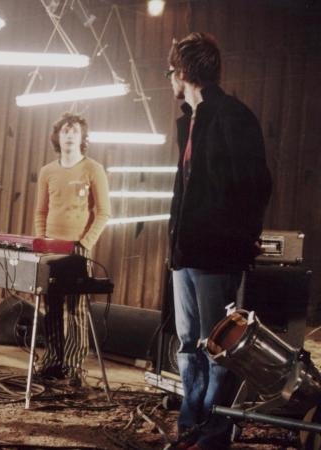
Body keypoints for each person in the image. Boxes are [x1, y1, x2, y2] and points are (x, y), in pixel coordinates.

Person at [164, 33, 271, 450]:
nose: (170, 79)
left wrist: (241, 240)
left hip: (215, 254)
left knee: (218, 348)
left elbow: (256, 185)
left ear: (183, 72)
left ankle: (213, 435)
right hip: (187, 252)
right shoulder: (192, 119)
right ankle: (191, 424)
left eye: (171, 70)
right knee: (188, 344)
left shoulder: (231, 116)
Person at [33, 112, 110, 387]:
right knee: (52, 306)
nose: (69, 135)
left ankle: (74, 365)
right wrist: (41, 241)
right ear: (57, 137)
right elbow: (41, 211)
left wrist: (85, 243)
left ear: (82, 138)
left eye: (75, 131)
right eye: (65, 131)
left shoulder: (93, 169)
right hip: (50, 249)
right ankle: (53, 361)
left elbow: (104, 212)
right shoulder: (47, 171)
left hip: (78, 249)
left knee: (76, 308)